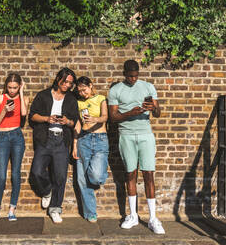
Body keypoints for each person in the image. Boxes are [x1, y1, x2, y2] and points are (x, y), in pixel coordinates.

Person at [108, 59, 165, 234]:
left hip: (146, 135)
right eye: (130, 76)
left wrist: (152, 107)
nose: (133, 79)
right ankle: (133, 215)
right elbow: (113, 117)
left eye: (136, 75)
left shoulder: (148, 87)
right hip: (126, 136)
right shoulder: (115, 89)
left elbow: (158, 113)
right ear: (124, 74)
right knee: (130, 174)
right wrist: (130, 113)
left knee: (148, 174)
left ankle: (153, 218)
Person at [29, 67, 78, 223]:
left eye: (70, 83)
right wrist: (46, 119)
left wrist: (67, 121)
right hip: (45, 138)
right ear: (59, 79)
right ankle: (46, 190)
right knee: (36, 172)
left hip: (62, 140)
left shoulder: (71, 99)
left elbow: (75, 121)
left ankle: (55, 208)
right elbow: (32, 116)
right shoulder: (43, 95)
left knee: (60, 176)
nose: (68, 85)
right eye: (66, 82)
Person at [0, 73, 29, 222]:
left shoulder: (23, 98)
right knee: (2, 176)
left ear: (19, 86)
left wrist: (22, 92)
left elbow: (24, 113)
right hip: (3, 138)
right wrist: (5, 110)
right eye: (10, 87)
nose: (12, 91)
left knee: (15, 174)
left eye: (15, 88)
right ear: (6, 86)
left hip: (17, 136)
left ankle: (12, 209)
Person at [72, 76, 109, 223]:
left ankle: (99, 175)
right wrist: (75, 144)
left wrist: (95, 119)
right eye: (79, 91)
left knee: (95, 176)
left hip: (100, 139)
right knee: (82, 180)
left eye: (84, 89)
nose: (82, 93)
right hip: (83, 140)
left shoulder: (101, 98)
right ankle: (91, 213)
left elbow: (105, 117)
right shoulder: (79, 102)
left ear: (91, 86)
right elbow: (77, 124)